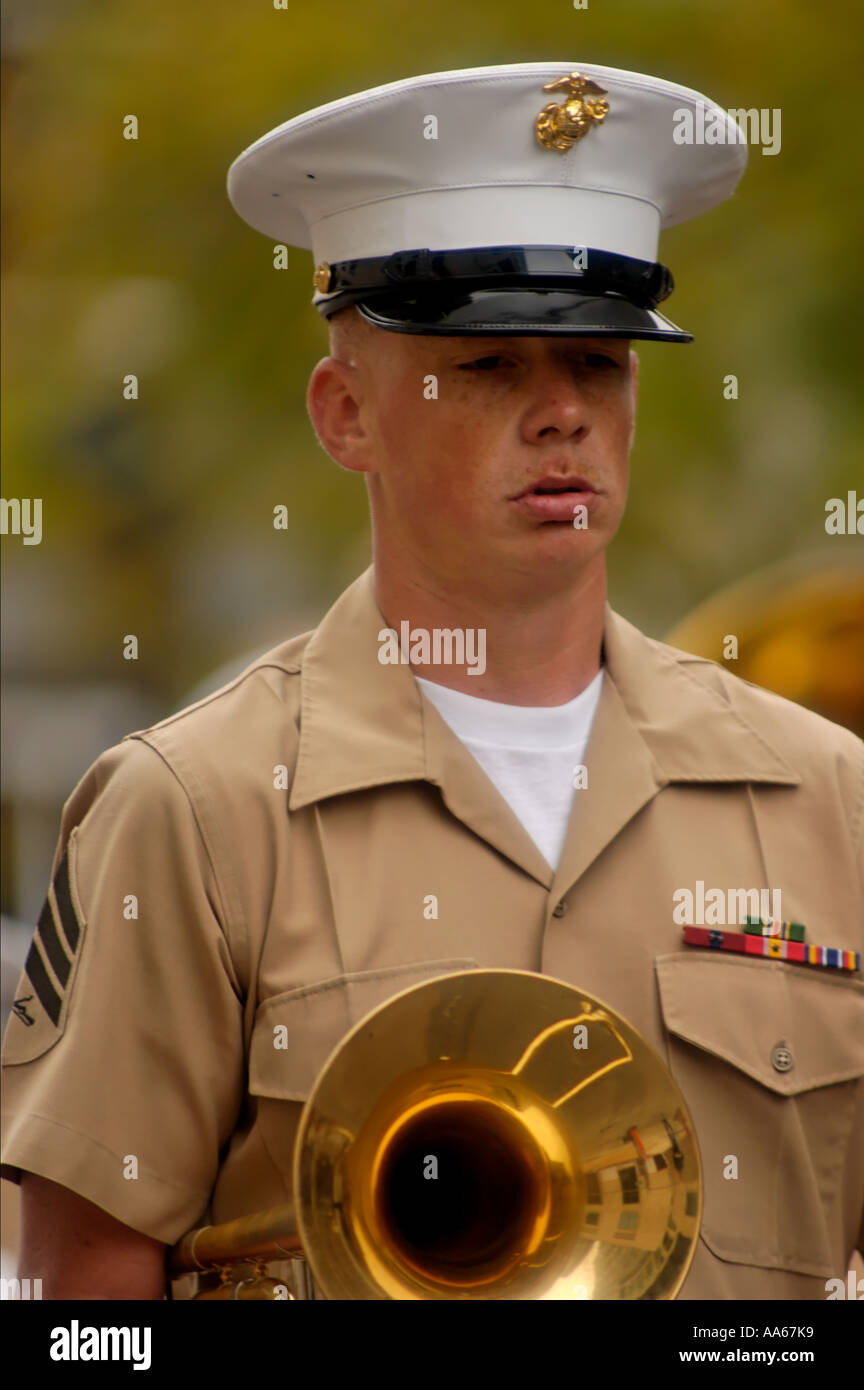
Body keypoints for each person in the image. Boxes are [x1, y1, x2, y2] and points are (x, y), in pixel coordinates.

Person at [2, 62, 862, 1302]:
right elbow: (81, 1319)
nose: (563, 414)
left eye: (602, 367)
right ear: (346, 412)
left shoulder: (829, 796)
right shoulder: (192, 809)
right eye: (490, 368)